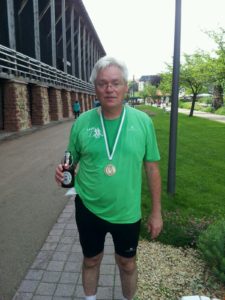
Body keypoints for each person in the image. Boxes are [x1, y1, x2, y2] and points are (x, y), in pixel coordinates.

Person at [55, 56, 163, 300]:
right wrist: (62, 171)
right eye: (103, 83)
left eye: (115, 83)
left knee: (127, 263)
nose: (109, 89)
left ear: (126, 86)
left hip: (126, 211)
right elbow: (69, 161)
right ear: (95, 87)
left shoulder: (143, 122)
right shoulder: (82, 122)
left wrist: (156, 212)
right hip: (88, 207)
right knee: (91, 260)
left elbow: (152, 169)